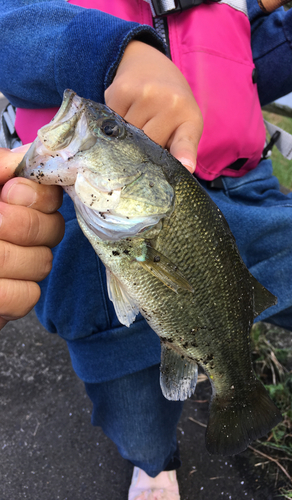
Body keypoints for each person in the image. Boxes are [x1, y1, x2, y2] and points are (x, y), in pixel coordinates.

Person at [0, 0, 292, 498]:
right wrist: (110, 53)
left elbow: (259, 61)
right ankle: (153, 462)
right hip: (96, 228)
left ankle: (230, 381)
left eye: (107, 129)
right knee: (132, 404)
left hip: (247, 189)